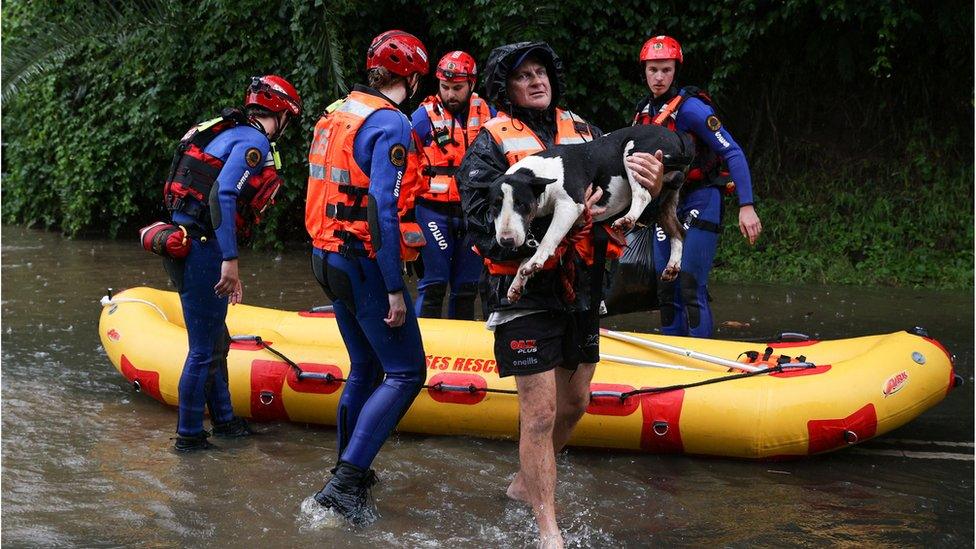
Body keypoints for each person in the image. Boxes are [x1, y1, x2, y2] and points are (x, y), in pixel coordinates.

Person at [457, 42, 663, 548]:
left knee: (575, 403)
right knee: (542, 411)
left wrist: (652, 186)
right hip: (521, 289)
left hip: (583, 287)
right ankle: (549, 530)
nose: (536, 82)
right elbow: (483, 224)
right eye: (523, 76)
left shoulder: (588, 133)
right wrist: (554, 224)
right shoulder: (489, 145)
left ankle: (523, 484)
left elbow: (622, 203)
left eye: (541, 73)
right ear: (506, 88)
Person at [305, 30, 429, 526]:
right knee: (406, 372)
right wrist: (395, 287)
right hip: (362, 260)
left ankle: (347, 468)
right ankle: (345, 482)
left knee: (364, 369)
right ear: (414, 78)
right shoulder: (391, 124)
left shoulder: (339, 111)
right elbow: (381, 206)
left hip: (326, 254)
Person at [162, 75, 302, 451]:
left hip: (185, 242)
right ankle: (189, 437)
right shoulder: (254, 141)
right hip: (204, 249)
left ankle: (224, 422)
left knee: (215, 340)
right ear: (281, 114)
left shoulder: (225, 131)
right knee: (204, 350)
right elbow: (223, 193)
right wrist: (230, 260)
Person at [634, 35, 762, 338]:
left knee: (690, 284)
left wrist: (747, 206)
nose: (659, 77)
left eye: (666, 70)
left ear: (675, 70)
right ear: (645, 71)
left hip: (701, 199)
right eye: (653, 70)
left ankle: (698, 360)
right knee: (666, 288)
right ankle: (673, 364)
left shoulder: (690, 109)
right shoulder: (643, 113)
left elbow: (732, 151)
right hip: (666, 207)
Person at [409, 51, 496, 319]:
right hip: (432, 212)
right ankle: (423, 350)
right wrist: (404, 217)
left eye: (457, 88)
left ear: (472, 84)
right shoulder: (422, 119)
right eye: (445, 88)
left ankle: (461, 351)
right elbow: (406, 169)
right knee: (433, 284)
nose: (450, 95)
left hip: (474, 213)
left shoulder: (490, 116)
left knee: (466, 288)